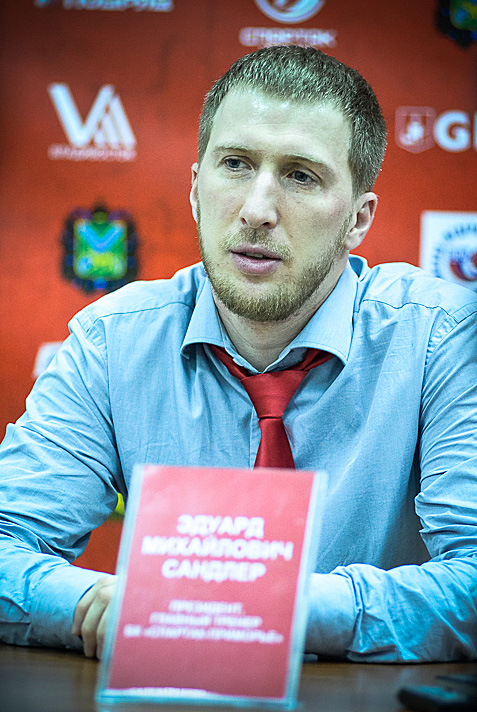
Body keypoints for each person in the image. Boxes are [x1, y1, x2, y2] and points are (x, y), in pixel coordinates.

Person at [0, 45, 476, 664]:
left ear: (358, 220)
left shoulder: (444, 338)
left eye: (301, 176)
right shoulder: (112, 341)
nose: (256, 210)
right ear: (196, 189)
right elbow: (8, 540)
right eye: (235, 164)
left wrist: (260, 609)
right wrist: (101, 603)